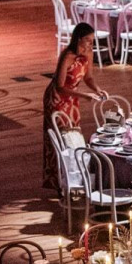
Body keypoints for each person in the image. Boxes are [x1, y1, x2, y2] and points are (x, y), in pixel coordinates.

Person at [43, 22, 107, 189]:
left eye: (92, 41)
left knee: (73, 137)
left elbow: (88, 78)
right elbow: (59, 86)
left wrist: (97, 90)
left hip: (72, 99)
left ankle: (74, 178)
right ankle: (59, 181)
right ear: (79, 39)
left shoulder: (88, 53)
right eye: (88, 40)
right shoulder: (67, 56)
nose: (91, 44)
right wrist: (85, 95)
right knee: (61, 138)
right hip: (57, 99)